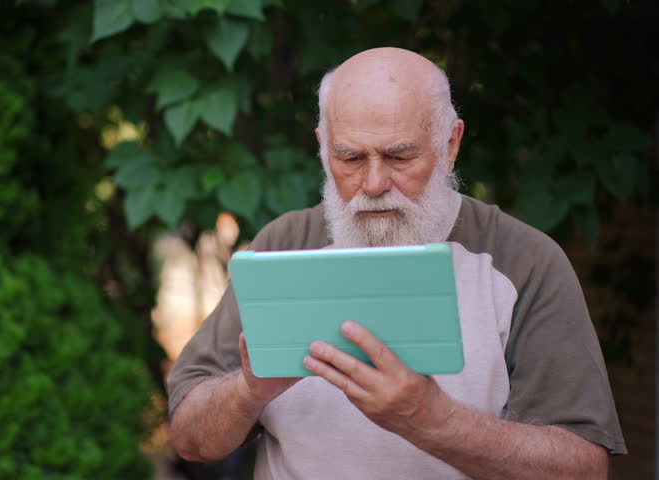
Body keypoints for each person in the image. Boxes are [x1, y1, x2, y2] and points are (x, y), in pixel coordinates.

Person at [166, 47, 626, 479]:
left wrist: (431, 420)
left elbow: (582, 467)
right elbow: (189, 438)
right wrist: (249, 391)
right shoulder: (284, 245)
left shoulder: (522, 262)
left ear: (450, 144)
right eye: (349, 157)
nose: (373, 182)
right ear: (323, 147)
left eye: (399, 155)